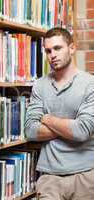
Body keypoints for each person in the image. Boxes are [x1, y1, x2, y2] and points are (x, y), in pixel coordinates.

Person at [25, 27, 94, 200]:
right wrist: (69, 126)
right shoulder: (40, 85)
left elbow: (82, 131)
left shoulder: (90, 84)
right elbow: (31, 130)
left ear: (72, 48)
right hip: (49, 177)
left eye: (57, 48)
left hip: (85, 175)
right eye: (48, 51)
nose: (52, 55)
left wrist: (46, 118)